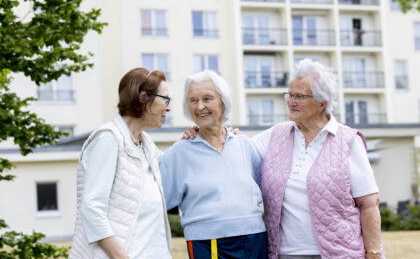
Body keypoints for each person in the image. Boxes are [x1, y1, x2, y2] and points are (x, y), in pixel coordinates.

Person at [252, 59, 385, 259]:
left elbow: (369, 204)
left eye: (299, 96)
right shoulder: (275, 135)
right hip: (285, 254)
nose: (291, 101)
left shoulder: (347, 141)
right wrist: (205, 134)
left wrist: (373, 253)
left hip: (339, 254)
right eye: (289, 95)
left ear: (322, 102)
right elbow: (238, 151)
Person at [160, 70, 267, 259]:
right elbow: (158, 202)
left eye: (207, 98)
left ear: (223, 103)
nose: (200, 106)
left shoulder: (244, 144)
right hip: (208, 242)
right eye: (193, 100)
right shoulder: (179, 152)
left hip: (253, 238)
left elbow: (267, 189)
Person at [69, 68, 172, 259]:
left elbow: (173, 164)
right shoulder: (108, 139)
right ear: (143, 98)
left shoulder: (145, 143)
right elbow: (92, 208)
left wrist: (196, 135)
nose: (168, 107)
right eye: (165, 99)